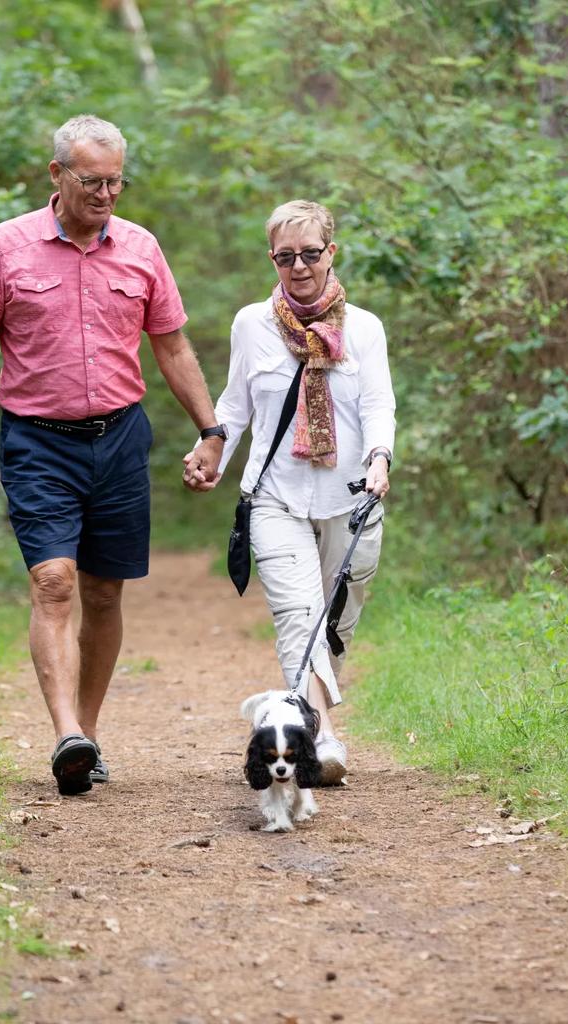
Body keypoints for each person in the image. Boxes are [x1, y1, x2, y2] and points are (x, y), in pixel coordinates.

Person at [0, 115, 225, 796]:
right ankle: (65, 732)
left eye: (117, 181)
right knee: (53, 581)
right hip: (37, 442)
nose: (108, 193)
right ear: (56, 176)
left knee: (104, 593)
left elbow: (171, 346)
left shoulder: (142, 249)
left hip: (120, 440)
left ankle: (86, 734)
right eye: (93, 181)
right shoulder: (7, 247)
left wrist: (211, 428)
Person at [184, 199, 395, 785]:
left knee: (333, 627)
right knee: (299, 618)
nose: (298, 266)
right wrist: (212, 452)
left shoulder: (365, 329)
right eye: (284, 257)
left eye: (309, 254)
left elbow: (378, 405)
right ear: (271, 258)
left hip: (354, 499)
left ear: (331, 253)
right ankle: (320, 740)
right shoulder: (251, 323)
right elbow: (235, 405)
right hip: (275, 497)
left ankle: (314, 711)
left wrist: (380, 458)